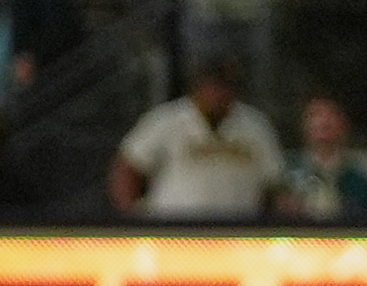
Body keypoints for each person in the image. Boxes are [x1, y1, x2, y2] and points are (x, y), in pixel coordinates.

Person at [110, 57, 285, 220]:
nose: (221, 93)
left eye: (229, 86)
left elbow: (275, 184)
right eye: (215, 85)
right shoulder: (167, 120)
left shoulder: (255, 126)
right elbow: (127, 168)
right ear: (200, 85)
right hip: (176, 232)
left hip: (238, 234)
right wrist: (131, 220)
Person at [274, 95, 367, 222]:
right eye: (315, 115)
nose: (322, 121)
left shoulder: (358, 178)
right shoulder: (288, 172)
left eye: (330, 115)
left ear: (343, 125)